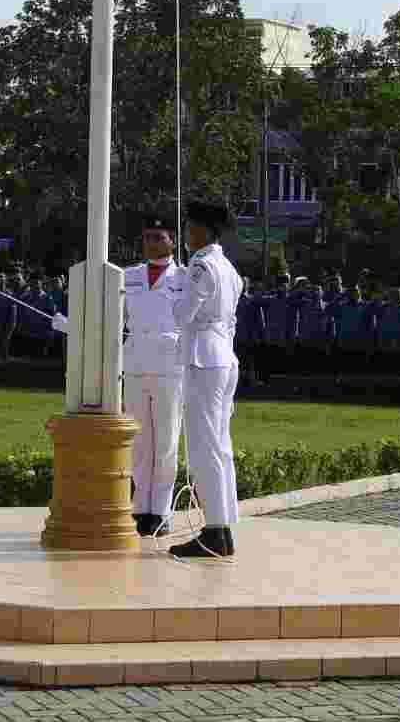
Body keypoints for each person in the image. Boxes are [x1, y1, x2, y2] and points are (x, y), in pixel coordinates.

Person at [169, 200, 243, 560]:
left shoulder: (201, 266)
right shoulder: (228, 267)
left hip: (203, 360)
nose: (186, 233)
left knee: (203, 447)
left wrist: (177, 291)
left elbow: (182, 314)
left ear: (204, 230)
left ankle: (214, 531)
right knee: (220, 446)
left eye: (190, 227)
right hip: (223, 356)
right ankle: (221, 528)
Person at [120, 216, 187, 538]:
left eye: (158, 237)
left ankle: (161, 510)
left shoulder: (184, 278)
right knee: (139, 441)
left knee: (166, 442)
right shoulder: (128, 276)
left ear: (172, 240)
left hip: (170, 366)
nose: (151, 243)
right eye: (147, 237)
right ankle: (139, 509)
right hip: (135, 363)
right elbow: (115, 317)